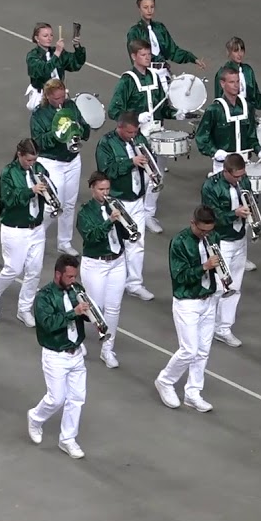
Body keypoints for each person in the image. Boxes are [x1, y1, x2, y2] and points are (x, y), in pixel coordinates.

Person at [106, 39, 179, 234]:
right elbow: (114, 111)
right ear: (133, 56)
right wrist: (136, 117)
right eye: (143, 55)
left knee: (157, 176)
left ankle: (149, 213)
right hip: (137, 136)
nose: (147, 58)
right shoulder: (127, 81)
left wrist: (176, 113)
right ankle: (133, 211)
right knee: (140, 177)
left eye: (149, 54)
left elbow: (163, 108)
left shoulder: (155, 77)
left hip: (157, 133)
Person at [154, 205, 221, 413]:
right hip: (187, 302)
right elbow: (179, 276)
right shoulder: (179, 242)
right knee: (189, 350)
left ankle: (193, 393)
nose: (206, 235)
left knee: (202, 351)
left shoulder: (213, 237)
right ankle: (165, 380)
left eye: (209, 231)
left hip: (209, 299)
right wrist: (205, 267)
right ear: (193, 223)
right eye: (202, 231)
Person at [25, 254, 92, 459]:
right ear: (58, 274)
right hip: (55, 355)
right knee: (56, 399)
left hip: (76, 353)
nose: (73, 280)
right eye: (70, 277)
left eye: (75, 276)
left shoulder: (77, 290)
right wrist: (74, 312)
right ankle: (35, 417)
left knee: (77, 398)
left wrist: (92, 315)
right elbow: (48, 324)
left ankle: (67, 439)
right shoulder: (44, 297)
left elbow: (86, 316)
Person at [0, 139, 54, 329]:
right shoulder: (8, 173)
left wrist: (49, 192)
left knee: (34, 270)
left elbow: (49, 189)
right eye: (29, 160)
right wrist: (31, 191)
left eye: (34, 160)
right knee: (13, 269)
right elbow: (9, 199)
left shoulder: (39, 169)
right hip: (15, 228)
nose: (32, 164)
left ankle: (24, 308)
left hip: (36, 228)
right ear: (19, 154)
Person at [94, 111, 158, 301]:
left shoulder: (138, 138)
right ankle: (110, 281)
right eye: (129, 133)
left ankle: (134, 283)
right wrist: (131, 162)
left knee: (137, 242)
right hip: (116, 201)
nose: (133, 136)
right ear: (119, 127)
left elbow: (148, 156)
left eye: (135, 132)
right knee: (114, 242)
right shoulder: (106, 144)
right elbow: (106, 171)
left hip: (137, 199)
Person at [76, 171, 133, 368]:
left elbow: (125, 234)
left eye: (108, 189)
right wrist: (109, 221)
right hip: (96, 264)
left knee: (114, 308)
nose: (105, 193)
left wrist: (126, 223)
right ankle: (76, 340)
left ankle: (108, 349)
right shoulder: (85, 212)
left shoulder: (115, 205)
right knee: (94, 308)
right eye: (101, 189)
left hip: (117, 261)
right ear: (92, 189)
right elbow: (91, 237)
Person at [199, 152, 255, 348]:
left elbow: (251, 202)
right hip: (221, 241)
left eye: (242, 175)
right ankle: (206, 324)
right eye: (237, 176)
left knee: (234, 286)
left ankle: (223, 328)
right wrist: (235, 213)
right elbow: (210, 217)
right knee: (217, 286)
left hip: (240, 239)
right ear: (226, 171)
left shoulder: (244, 181)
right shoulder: (211, 186)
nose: (240, 180)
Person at [30, 79, 90, 256]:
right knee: (53, 204)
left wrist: (80, 128)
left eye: (62, 96)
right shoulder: (39, 114)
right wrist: (58, 134)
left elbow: (85, 130)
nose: (60, 101)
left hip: (72, 160)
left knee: (70, 204)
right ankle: (34, 234)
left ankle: (64, 242)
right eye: (56, 98)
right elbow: (38, 142)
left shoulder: (70, 106)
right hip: (51, 162)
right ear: (47, 96)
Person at [195, 66, 261, 175]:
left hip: (244, 164)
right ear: (222, 84)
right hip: (223, 166)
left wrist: (259, 150)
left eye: (238, 81)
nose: (236, 85)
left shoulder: (247, 107)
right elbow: (201, 137)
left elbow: (251, 136)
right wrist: (215, 152)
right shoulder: (214, 110)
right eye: (231, 82)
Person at [125, 0, 206, 84]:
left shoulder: (160, 28)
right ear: (139, 8)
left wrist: (193, 59)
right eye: (145, 7)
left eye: (152, 7)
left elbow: (173, 51)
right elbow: (135, 58)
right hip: (147, 74)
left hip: (163, 73)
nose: (149, 10)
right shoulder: (134, 32)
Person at [25, 22, 87, 110]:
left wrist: (77, 47)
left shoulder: (57, 52)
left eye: (51, 35)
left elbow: (76, 64)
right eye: (45, 36)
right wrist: (57, 53)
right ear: (37, 38)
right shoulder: (32, 57)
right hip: (41, 95)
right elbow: (44, 70)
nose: (49, 38)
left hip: (58, 94)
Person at [217, 37, 261, 113]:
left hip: (248, 115)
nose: (240, 54)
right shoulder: (222, 73)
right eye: (236, 51)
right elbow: (219, 99)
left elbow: (255, 96)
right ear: (229, 52)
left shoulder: (248, 70)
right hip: (230, 116)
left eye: (241, 50)